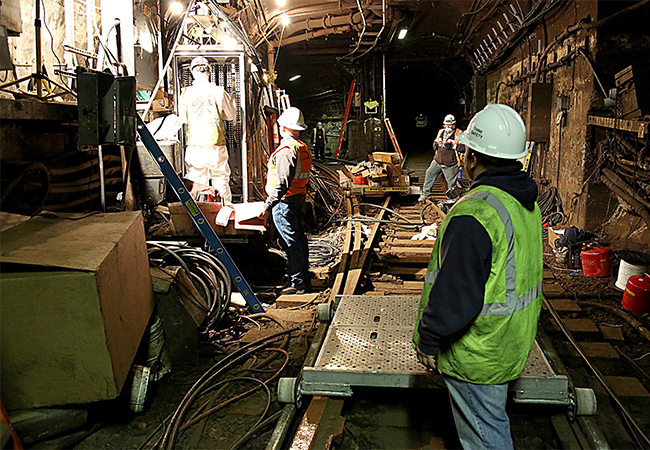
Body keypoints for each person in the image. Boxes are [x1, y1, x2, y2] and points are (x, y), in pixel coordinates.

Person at [413, 104, 542, 450]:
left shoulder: (475, 212)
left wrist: (429, 337)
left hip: (478, 352)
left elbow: (456, 293)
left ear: (470, 158)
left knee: (486, 439)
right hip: (510, 341)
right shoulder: (524, 202)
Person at [260, 107, 312, 295]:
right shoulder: (302, 148)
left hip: (285, 203)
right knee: (298, 238)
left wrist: (268, 205)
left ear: (282, 127)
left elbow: (281, 184)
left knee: (290, 242)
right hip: (298, 198)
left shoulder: (285, 152)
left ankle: (296, 282)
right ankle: (303, 275)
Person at [179, 56, 236, 204]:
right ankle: (225, 217)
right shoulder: (218, 91)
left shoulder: (185, 93)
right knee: (221, 181)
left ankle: (198, 220)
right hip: (216, 145)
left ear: (192, 72)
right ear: (209, 71)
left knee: (197, 183)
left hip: (195, 146)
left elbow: (182, 119)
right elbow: (230, 115)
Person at [419, 114, 464, 201]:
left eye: (450, 124)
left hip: (450, 164)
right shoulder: (441, 132)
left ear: (454, 125)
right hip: (438, 161)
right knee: (429, 174)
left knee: (451, 184)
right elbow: (436, 142)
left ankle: (451, 200)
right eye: (447, 125)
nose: (448, 126)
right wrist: (435, 144)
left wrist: (453, 145)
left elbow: (464, 148)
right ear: (444, 125)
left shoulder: (459, 134)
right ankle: (426, 194)